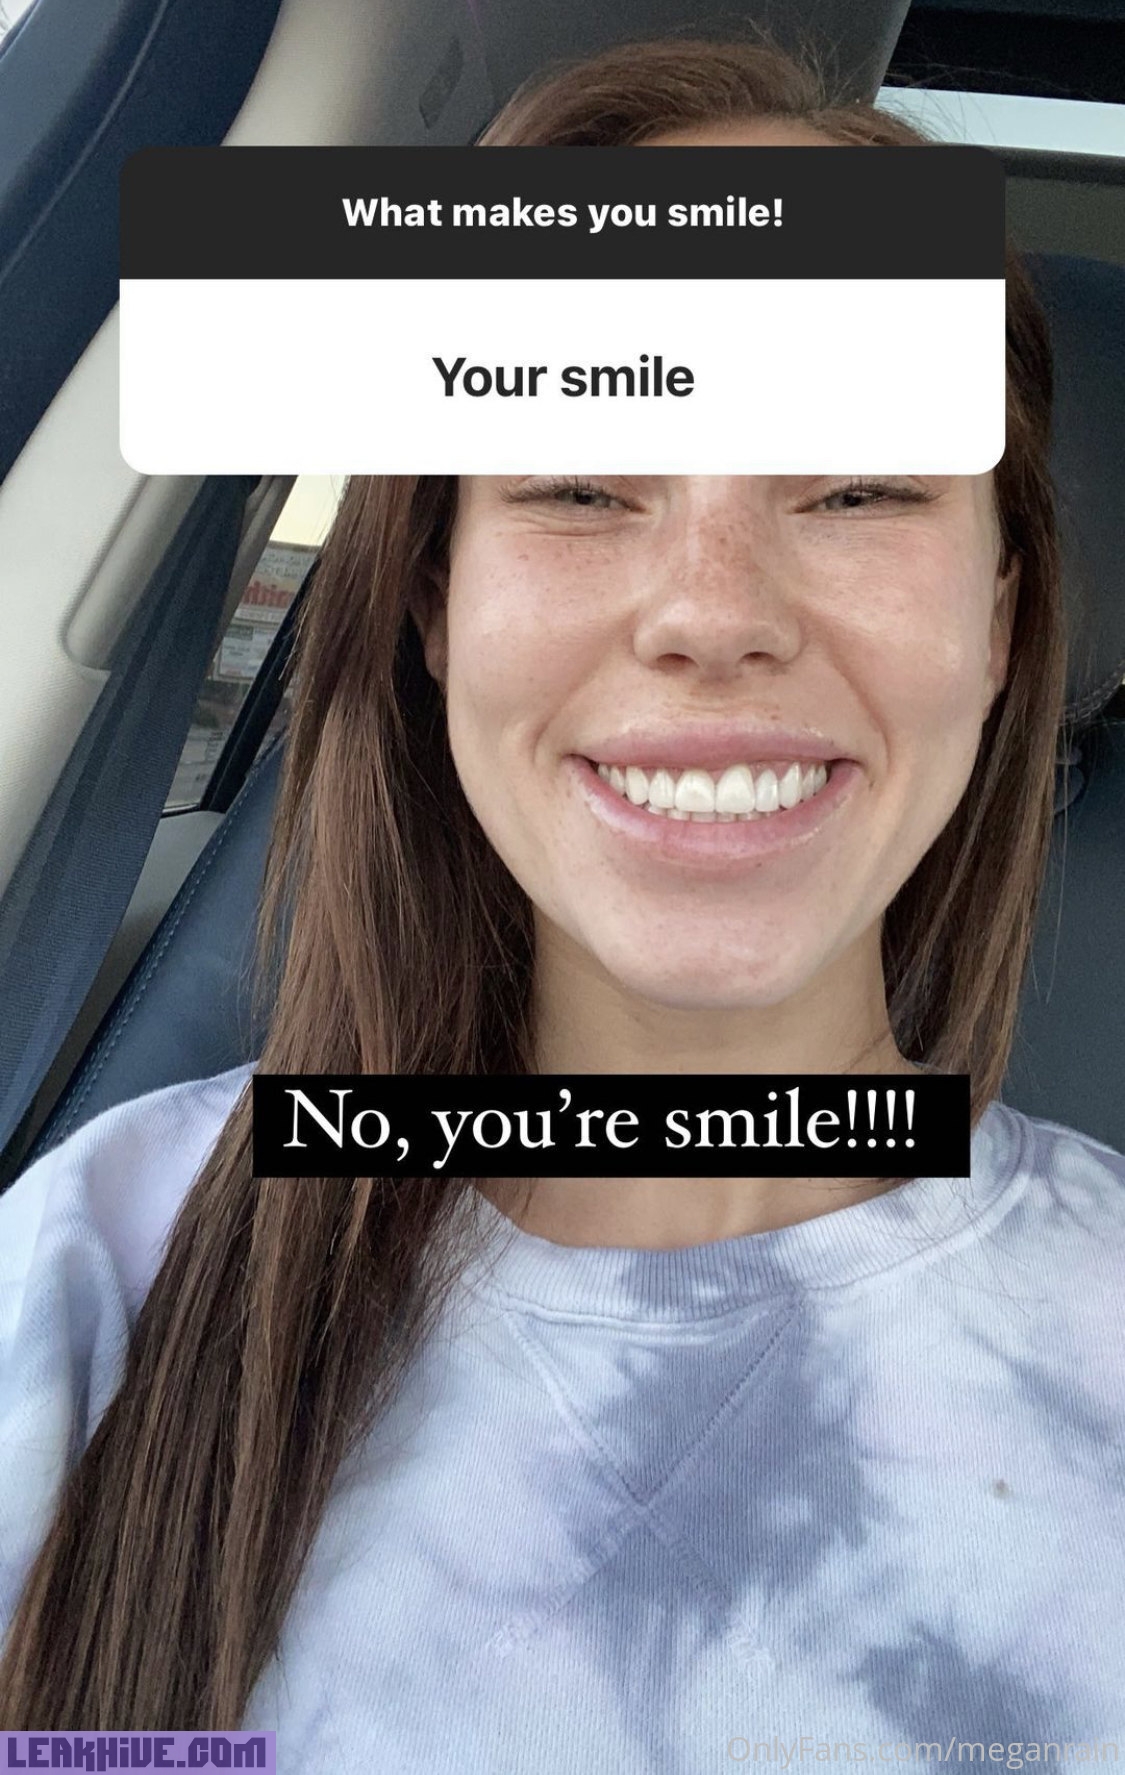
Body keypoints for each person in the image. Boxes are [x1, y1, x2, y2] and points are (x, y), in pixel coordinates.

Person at [2, 30, 1124, 1762]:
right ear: (436, 603)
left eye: (856, 481)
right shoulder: (94, 1267)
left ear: (998, 617)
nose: (711, 611)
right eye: (582, 481)